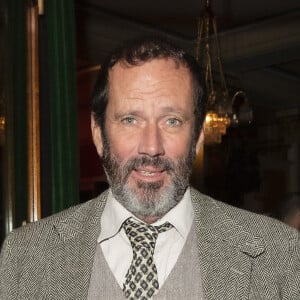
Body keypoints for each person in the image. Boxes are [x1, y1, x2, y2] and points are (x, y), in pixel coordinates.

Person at [0, 37, 299, 300]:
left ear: (196, 138)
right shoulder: (25, 256)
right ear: (97, 134)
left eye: (172, 121)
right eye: (130, 119)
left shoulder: (278, 254)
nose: (151, 147)